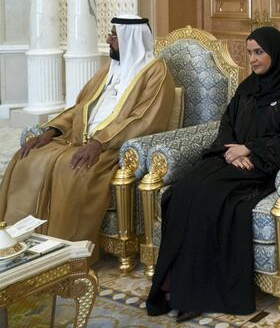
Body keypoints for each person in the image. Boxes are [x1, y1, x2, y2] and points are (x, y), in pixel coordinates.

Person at [146, 26, 280, 323]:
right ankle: (171, 279)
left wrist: (249, 150)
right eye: (250, 52)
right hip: (231, 161)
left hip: (263, 167)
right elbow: (227, 124)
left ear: (275, 53)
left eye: (259, 52)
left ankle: (198, 292)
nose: (252, 59)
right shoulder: (248, 87)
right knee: (181, 191)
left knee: (211, 199)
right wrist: (230, 151)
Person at [0, 16, 174, 254]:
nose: (109, 40)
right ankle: (15, 239)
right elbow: (80, 107)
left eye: (114, 36)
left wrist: (99, 142)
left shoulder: (156, 73)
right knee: (28, 157)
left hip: (112, 148)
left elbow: (143, 120)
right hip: (77, 138)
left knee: (71, 169)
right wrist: (50, 131)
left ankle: (64, 251)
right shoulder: (109, 70)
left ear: (130, 38)